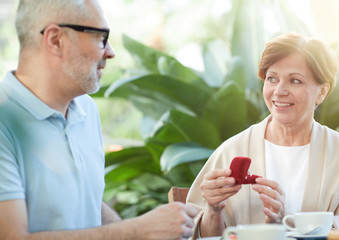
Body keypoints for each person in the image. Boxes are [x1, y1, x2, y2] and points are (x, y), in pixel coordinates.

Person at [0, 0, 197, 239]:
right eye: (101, 37)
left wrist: (150, 231)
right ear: (55, 40)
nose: (111, 52)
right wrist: (138, 230)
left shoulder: (85, 110)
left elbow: (87, 206)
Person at [186, 33, 339, 238]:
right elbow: (200, 235)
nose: (279, 91)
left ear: (321, 92)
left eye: (295, 81)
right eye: (271, 79)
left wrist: (287, 222)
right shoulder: (231, 150)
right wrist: (214, 209)